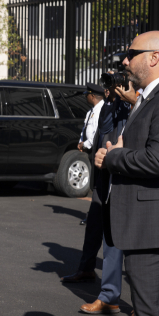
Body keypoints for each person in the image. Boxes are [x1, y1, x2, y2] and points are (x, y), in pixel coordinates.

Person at [95, 30, 159, 316]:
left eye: (131, 53)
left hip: (154, 234)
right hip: (150, 229)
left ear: (155, 57)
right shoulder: (151, 97)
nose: (125, 61)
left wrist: (112, 158)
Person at [78, 80, 132, 316]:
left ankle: (143, 307)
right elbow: (105, 129)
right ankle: (109, 296)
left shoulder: (153, 99)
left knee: (139, 251)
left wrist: (134, 101)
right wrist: (113, 100)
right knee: (111, 240)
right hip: (110, 177)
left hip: (138, 181)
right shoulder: (115, 104)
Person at [61, 83, 106, 283]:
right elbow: (87, 132)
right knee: (94, 225)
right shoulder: (92, 111)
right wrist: (83, 143)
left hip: (107, 168)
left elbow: (97, 135)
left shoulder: (104, 109)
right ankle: (86, 268)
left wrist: (87, 144)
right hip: (95, 164)